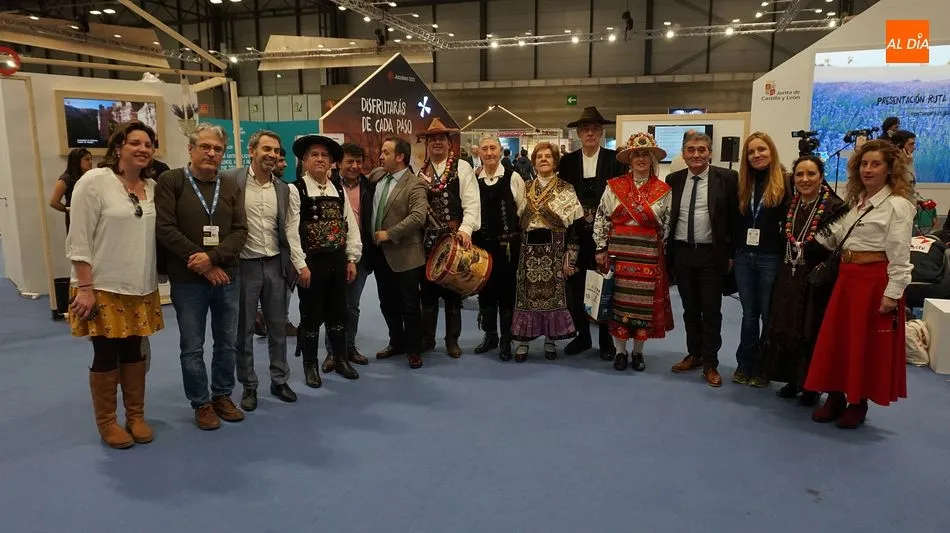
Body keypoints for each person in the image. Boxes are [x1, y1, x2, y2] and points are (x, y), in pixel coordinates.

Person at [66, 122, 164, 449]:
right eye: (134, 142)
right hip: (102, 285)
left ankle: (135, 416)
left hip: (140, 285)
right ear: (118, 146)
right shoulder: (95, 182)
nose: (142, 149)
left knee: (135, 352)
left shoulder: (152, 187)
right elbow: (78, 237)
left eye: (148, 144)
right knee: (106, 354)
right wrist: (85, 286)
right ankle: (107, 423)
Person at [805, 139, 915, 429]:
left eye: (875, 164)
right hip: (846, 279)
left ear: (890, 170)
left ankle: (858, 401)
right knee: (839, 340)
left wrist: (893, 294)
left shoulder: (898, 206)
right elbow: (835, 238)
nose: (868, 169)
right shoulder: (856, 204)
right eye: (864, 163)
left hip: (874, 282)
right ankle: (836, 395)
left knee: (864, 344)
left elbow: (901, 255)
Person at [155, 123, 248, 430]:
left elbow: (240, 231)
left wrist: (214, 258)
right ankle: (201, 402)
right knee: (192, 346)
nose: (211, 153)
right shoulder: (171, 181)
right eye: (205, 147)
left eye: (217, 149)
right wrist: (204, 262)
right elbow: (166, 229)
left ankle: (222, 395)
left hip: (227, 276)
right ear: (191, 149)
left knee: (226, 342)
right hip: (188, 279)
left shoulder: (230, 185)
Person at [223, 130, 307, 411]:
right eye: (267, 149)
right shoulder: (231, 181)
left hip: (275, 265)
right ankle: (248, 385)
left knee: (277, 327)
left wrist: (297, 262)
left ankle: (279, 380)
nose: (272, 155)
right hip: (243, 267)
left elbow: (288, 230)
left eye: (276, 151)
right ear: (252, 151)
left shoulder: (283, 189)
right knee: (243, 330)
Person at [759, 156, 848, 405]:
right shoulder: (790, 203)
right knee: (787, 325)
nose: (805, 179)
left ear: (821, 176)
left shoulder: (835, 207)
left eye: (811, 174)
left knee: (812, 328)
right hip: (789, 273)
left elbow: (836, 247)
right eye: (799, 175)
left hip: (817, 277)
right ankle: (793, 379)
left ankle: (812, 384)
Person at [593, 132, 674, 372]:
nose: (640, 159)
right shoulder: (614, 186)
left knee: (643, 306)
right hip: (618, 253)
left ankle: (638, 353)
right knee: (618, 303)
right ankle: (620, 351)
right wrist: (600, 248)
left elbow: (667, 226)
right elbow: (601, 217)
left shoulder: (664, 189)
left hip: (648, 255)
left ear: (651, 159)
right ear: (629, 159)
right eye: (636, 154)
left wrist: (660, 252)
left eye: (645, 155)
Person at [666, 132, 739, 387]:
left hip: (711, 254)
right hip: (682, 253)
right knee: (689, 310)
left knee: (711, 311)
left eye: (701, 149)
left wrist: (730, 254)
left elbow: (734, 219)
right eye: (690, 150)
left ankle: (711, 362)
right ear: (683, 154)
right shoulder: (673, 180)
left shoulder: (727, 179)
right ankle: (694, 354)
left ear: (710, 152)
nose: (696, 154)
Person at [291, 135, 362, 387]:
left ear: (332, 162)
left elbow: (350, 226)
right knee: (310, 314)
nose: (320, 159)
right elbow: (291, 231)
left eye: (324, 155)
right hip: (311, 264)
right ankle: (310, 364)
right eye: (314, 155)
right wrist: (300, 264)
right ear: (305, 160)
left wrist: (352, 258)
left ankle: (340, 358)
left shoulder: (338, 189)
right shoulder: (295, 189)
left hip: (337, 260)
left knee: (338, 312)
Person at [557, 106, 626, 360]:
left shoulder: (614, 160)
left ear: (601, 132)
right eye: (585, 129)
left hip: (604, 236)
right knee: (576, 287)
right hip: (575, 236)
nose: (589, 133)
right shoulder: (567, 162)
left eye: (594, 129)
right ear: (578, 132)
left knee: (605, 286)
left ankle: (605, 341)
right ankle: (582, 336)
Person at [511, 141, 584, 361]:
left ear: (555, 161)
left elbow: (575, 227)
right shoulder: (524, 187)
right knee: (526, 296)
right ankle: (523, 340)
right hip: (528, 252)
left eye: (548, 156)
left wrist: (570, 258)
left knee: (553, 297)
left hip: (555, 251)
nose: (543, 159)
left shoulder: (566, 188)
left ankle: (550, 340)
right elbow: (518, 222)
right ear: (533, 162)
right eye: (539, 156)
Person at [416, 118, 481, 358]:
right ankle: (427, 338)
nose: (436, 143)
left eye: (441, 138)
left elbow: (472, 202)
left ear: (448, 143)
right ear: (427, 143)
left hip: (454, 238)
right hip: (427, 241)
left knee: (453, 292)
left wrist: (466, 229)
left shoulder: (462, 167)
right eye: (432, 139)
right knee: (428, 292)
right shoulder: (420, 171)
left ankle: (452, 340)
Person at [731, 132, 789, 387]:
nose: (757, 155)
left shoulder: (786, 183)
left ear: (771, 152)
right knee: (749, 314)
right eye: (752, 152)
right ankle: (744, 364)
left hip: (770, 257)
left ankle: (764, 368)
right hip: (744, 257)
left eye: (762, 149)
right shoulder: (743, 184)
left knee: (768, 314)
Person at [371, 137, 428, 369]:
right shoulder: (377, 179)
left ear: (400, 157)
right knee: (387, 303)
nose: (381, 156)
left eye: (386, 152)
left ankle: (414, 349)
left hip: (406, 256)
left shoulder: (415, 184)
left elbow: (418, 217)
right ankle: (396, 342)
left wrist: (389, 233)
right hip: (380, 256)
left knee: (410, 306)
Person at [472, 134, 526, 361]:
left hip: (507, 246)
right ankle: (490, 335)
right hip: (481, 245)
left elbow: (523, 210)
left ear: (499, 150)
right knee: (485, 291)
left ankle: (507, 338)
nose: (489, 152)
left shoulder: (513, 177)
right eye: (485, 149)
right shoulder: (474, 179)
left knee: (506, 292)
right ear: (479, 153)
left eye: (493, 148)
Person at [322, 143, 374, 372]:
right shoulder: (327, 185)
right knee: (332, 304)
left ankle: (349, 347)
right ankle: (332, 353)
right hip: (332, 255)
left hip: (360, 254)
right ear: (339, 163)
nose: (354, 166)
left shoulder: (369, 186)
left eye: (358, 162)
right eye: (349, 162)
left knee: (352, 306)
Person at [50, 148, 93, 231]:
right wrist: (68, 209)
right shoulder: (66, 178)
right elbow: (54, 202)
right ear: (77, 161)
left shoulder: (90, 177)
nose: (90, 162)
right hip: (75, 219)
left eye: (91, 159)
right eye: (87, 159)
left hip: (90, 216)